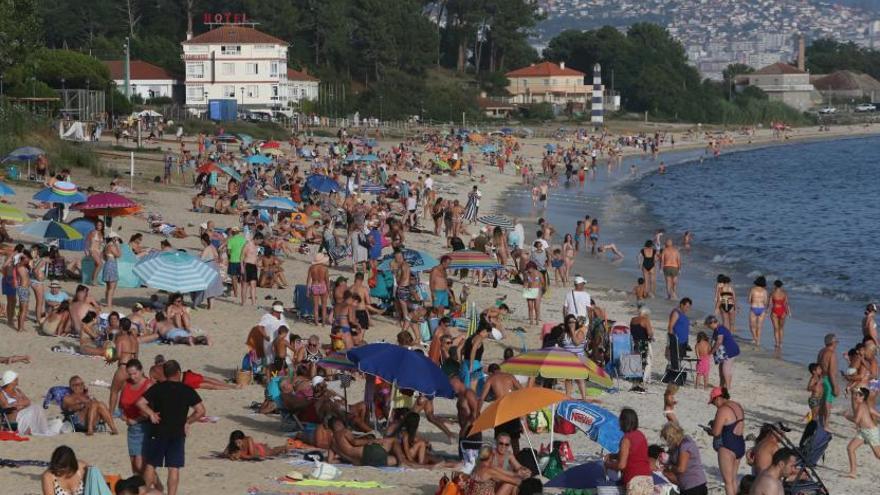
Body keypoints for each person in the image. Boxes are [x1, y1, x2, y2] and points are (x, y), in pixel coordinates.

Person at [136, 359, 206, 495]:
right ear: (178, 373)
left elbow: (140, 402)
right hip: (177, 432)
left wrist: (151, 414)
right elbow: (201, 411)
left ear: (165, 374)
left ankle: (143, 493)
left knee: (151, 465)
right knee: (174, 468)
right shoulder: (187, 390)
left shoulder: (158, 388)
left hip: (158, 430)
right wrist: (188, 421)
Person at [604, 408, 653, 495]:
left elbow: (622, 465)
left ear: (623, 422)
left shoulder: (626, 439)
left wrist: (608, 465)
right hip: (647, 478)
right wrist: (612, 456)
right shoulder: (641, 435)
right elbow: (634, 454)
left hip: (634, 480)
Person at [709, 387, 745, 495]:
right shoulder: (737, 405)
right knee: (733, 479)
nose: (714, 405)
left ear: (718, 398)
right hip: (739, 444)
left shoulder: (722, 410)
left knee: (728, 482)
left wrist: (710, 430)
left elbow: (716, 432)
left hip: (728, 446)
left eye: (713, 402)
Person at [120, 359, 153, 477]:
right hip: (131, 428)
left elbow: (151, 410)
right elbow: (121, 404)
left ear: (141, 371)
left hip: (145, 427)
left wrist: (136, 420)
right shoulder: (126, 383)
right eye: (130, 374)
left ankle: (157, 487)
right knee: (134, 465)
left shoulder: (148, 385)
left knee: (141, 464)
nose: (132, 376)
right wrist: (122, 414)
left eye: (135, 373)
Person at [480, 364, 523, 451]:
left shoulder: (491, 379)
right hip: (512, 410)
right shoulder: (510, 376)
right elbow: (522, 390)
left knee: (499, 438)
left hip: (501, 411)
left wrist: (476, 412)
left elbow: (481, 398)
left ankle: (499, 461)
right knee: (515, 439)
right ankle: (517, 459)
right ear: (500, 369)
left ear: (490, 372)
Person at [661, 421, 708, 495]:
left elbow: (681, 469)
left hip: (694, 486)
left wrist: (669, 467)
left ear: (672, 436)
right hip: (688, 486)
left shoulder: (685, 445)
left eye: (667, 438)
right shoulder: (677, 445)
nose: (667, 441)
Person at [845, 387, 880, 478]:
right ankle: (853, 472)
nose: (855, 396)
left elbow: (856, 420)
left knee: (878, 455)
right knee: (850, 448)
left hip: (871, 433)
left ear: (862, 397)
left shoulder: (861, 406)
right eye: (855, 394)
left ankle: (853, 472)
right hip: (863, 432)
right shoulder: (864, 405)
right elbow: (877, 414)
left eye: (857, 394)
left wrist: (847, 416)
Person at [706, 315, 740, 389]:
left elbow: (719, 342)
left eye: (708, 325)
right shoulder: (717, 329)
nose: (708, 327)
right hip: (724, 352)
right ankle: (722, 385)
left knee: (726, 369)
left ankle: (727, 386)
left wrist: (711, 352)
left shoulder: (720, 329)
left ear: (712, 323)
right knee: (721, 368)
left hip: (730, 351)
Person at [816, 333, 839, 426]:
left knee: (822, 402)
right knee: (828, 402)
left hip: (821, 378)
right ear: (833, 343)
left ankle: (820, 422)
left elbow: (818, 366)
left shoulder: (821, 351)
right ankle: (826, 424)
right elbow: (831, 372)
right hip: (828, 379)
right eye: (836, 342)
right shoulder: (831, 354)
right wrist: (835, 386)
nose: (837, 344)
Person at [224, 430, 290, 460]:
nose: (237, 445)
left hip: (260, 450)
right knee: (272, 450)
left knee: (273, 451)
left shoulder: (248, 439)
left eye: (239, 442)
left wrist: (241, 455)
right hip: (255, 446)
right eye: (236, 443)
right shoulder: (233, 442)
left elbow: (252, 454)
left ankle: (285, 447)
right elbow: (224, 453)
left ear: (243, 439)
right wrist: (230, 455)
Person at [667, 298, 692, 371]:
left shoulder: (682, 314)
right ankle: (674, 375)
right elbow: (670, 327)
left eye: (689, 307)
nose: (688, 309)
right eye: (687, 307)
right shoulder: (676, 313)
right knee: (675, 359)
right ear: (681, 304)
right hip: (677, 341)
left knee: (679, 359)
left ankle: (676, 373)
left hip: (683, 342)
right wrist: (672, 340)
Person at [306, 253, 330, 325]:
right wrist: (329, 291)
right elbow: (327, 281)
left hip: (315, 286)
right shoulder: (325, 268)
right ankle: (323, 323)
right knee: (324, 306)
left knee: (316, 306)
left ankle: (316, 322)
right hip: (323, 286)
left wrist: (308, 290)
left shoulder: (312, 268)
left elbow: (308, 280)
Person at [225, 227, 246, 302]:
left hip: (233, 260)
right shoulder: (244, 240)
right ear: (239, 232)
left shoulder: (230, 240)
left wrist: (229, 258)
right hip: (242, 260)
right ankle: (243, 293)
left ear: (233, 233)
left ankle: (236, 293)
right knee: (242, 277)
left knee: (234, 278)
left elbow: (228, 252)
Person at [768, 280, 790, 350]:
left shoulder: (772, 293)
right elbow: (786, 304)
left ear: (775, 285)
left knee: (776, 329)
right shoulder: (784, 293)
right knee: (781, 328)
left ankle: (777, 343)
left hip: (774, 311)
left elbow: (770, 304)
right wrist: (789, 312)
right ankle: (781, 343)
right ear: (781, 286)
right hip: (783, 311)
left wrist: (767, 312)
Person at [748, 277, 769, 346]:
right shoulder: (765, 291)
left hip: (754, 308)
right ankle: (758, 341)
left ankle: (755, 338)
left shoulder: (753, 289)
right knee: (759, 326)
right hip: (762, 308)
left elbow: (749, 300)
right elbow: (766, 302)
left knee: (752, 326)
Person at [103, 231, 121, 308]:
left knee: (108, 286)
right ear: (113, 239)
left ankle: (108, 303)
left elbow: (103, 257)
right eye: (116, 238)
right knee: (112, 287)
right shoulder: (111, 246)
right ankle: (109, 304)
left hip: (108, 264)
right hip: (112, 265)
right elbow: (119, 255)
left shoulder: (106, 246)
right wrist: (118, 246)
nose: (117, 240)